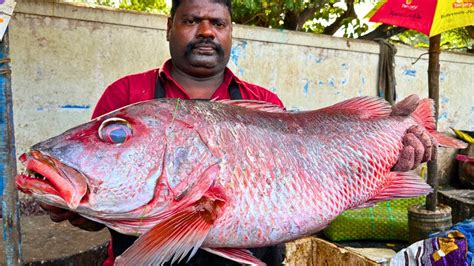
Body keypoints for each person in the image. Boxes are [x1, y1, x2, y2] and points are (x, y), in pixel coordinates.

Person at [39, 0, 437, 265]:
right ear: (169, 27)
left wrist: (392, 147)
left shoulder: (262, 99)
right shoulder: (126, 95)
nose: (206, 31)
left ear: (231, 32)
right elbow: (101, 211)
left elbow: (328, 178)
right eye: (192, 20)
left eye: (218, 23)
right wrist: (71, 204)